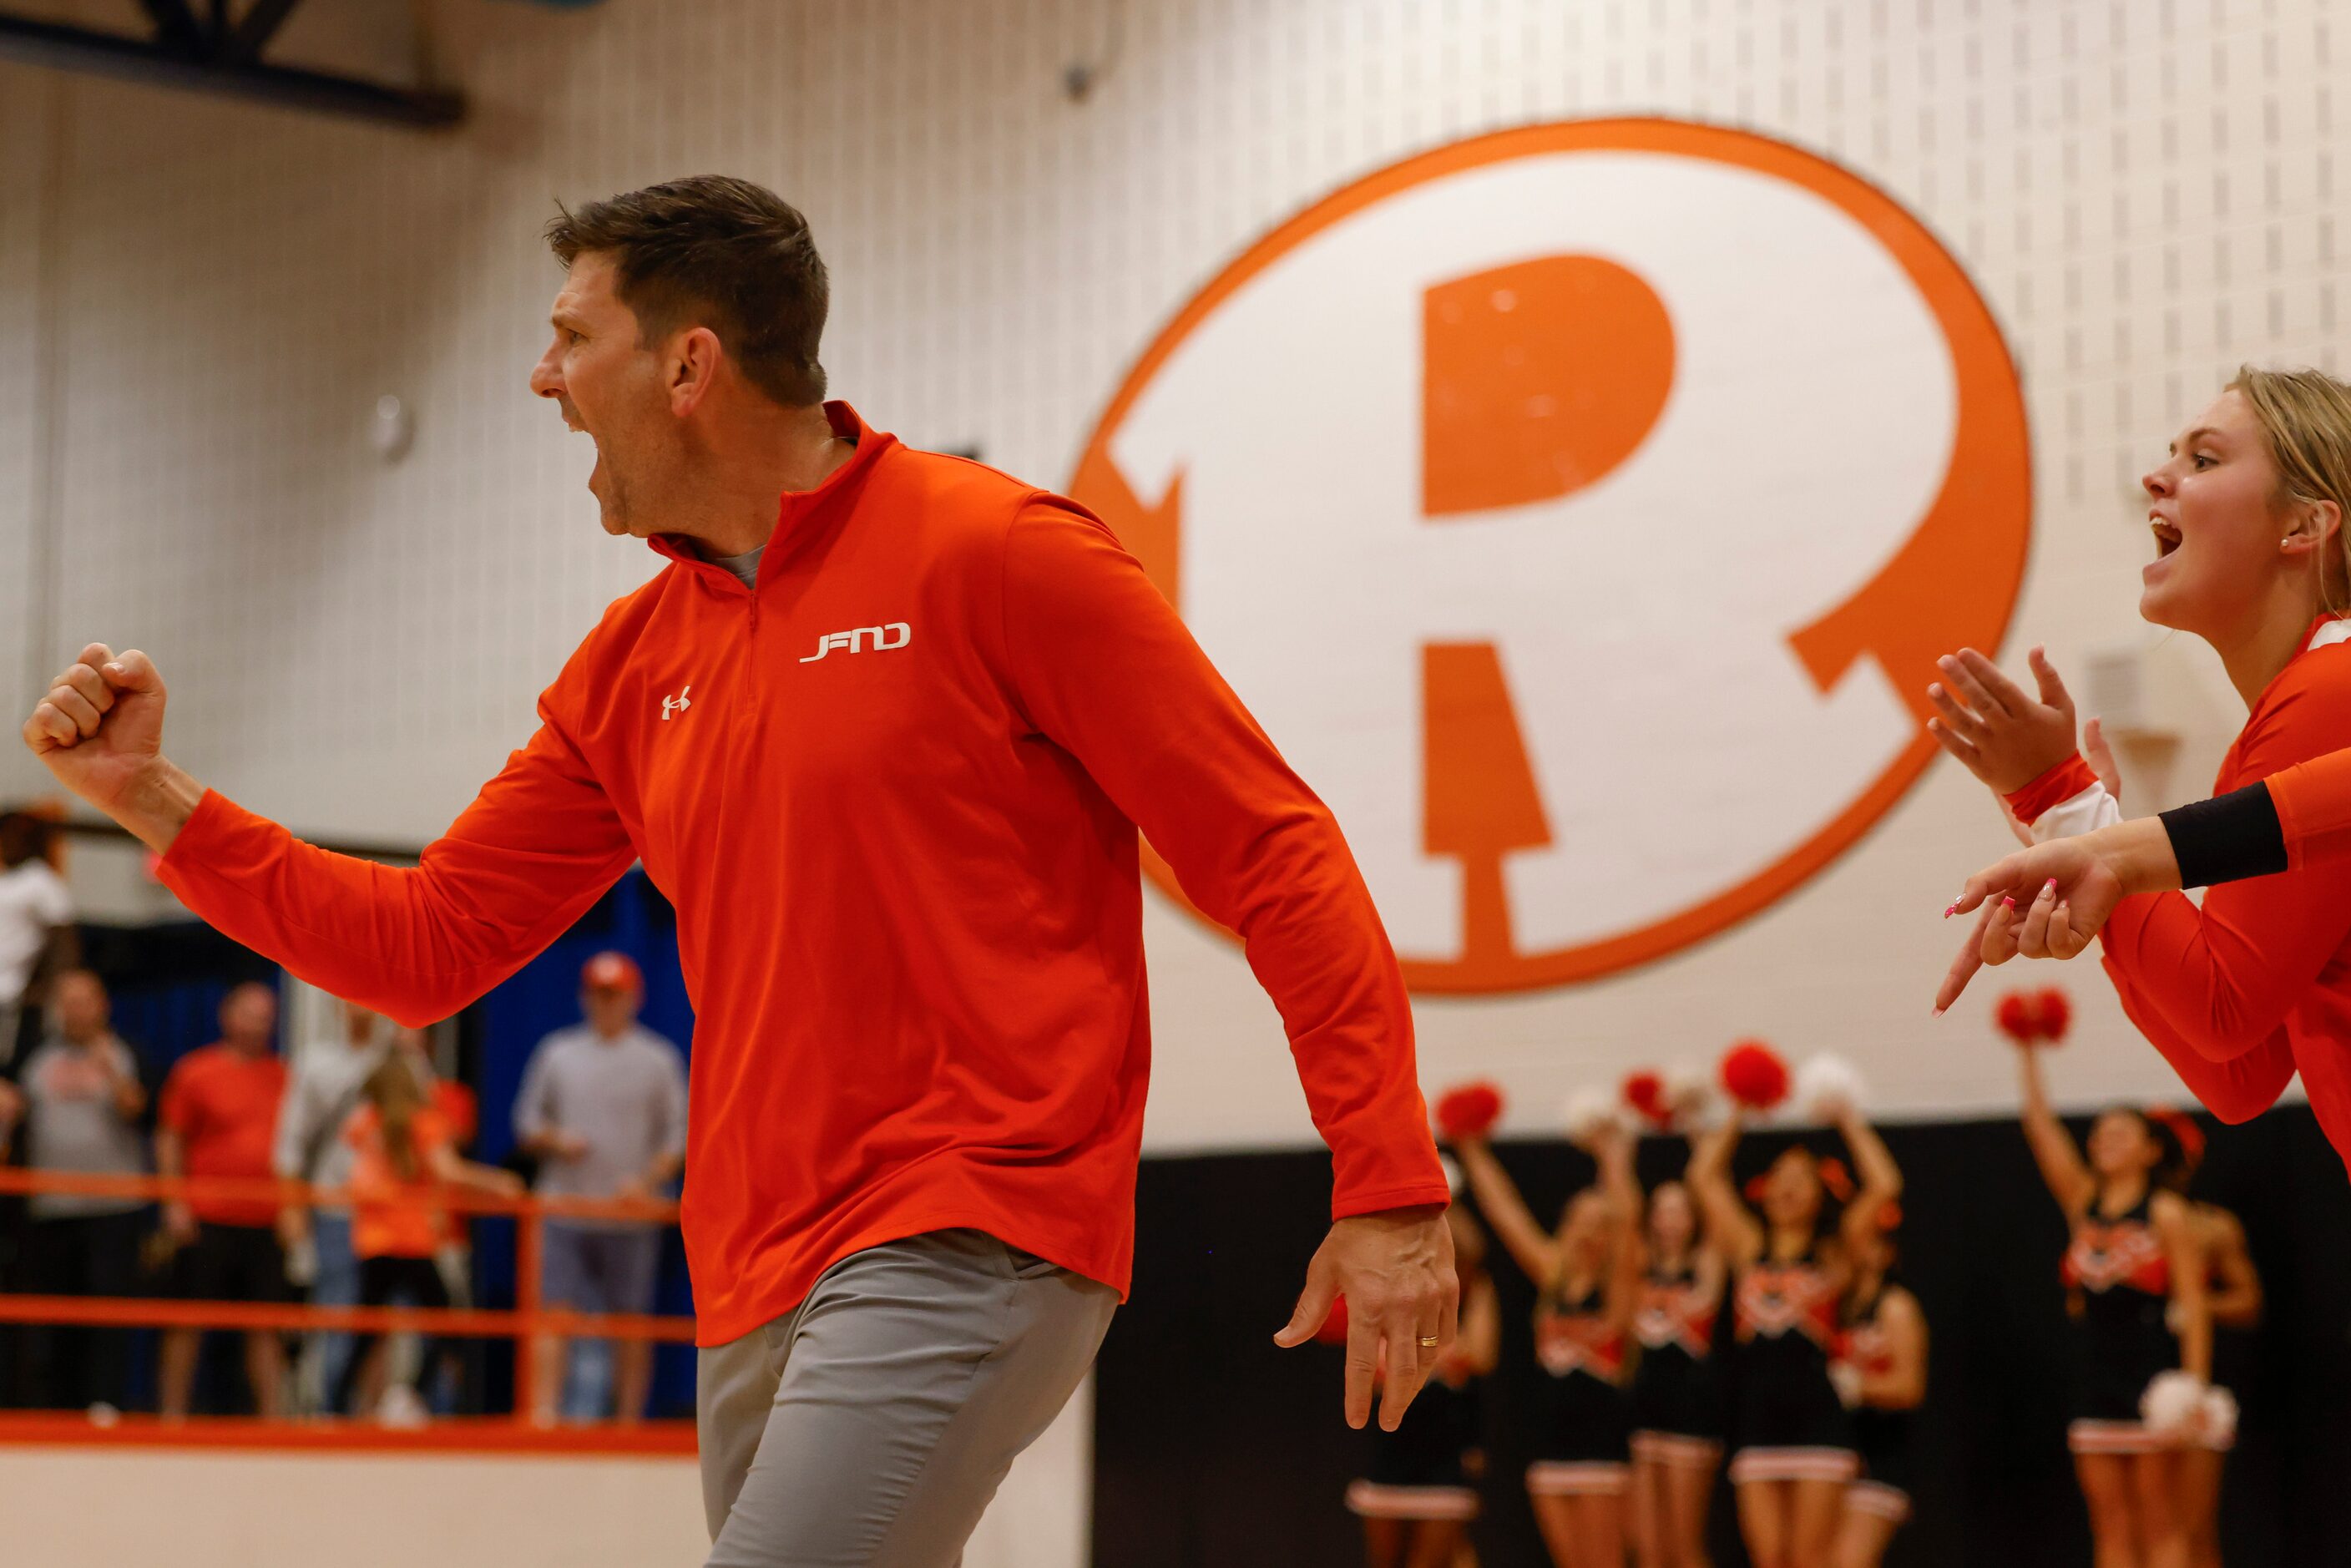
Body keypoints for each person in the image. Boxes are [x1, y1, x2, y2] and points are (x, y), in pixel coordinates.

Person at [19, 174, 1454, 1563]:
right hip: (750, 1269)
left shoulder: (998, 553)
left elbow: (1270, 848)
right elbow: (429, 942)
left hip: (970, 1223)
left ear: (688, 364)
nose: (542, 376)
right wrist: (147, 798)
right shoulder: (632, 664)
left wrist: (1387, 1180)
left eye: (572, 337)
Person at [1924, 368, 2351, 1177]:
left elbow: (2222, 1011)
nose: (2153, 477)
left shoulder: (2331, 691)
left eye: (2201, 459)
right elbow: (2237, 1076)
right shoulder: (2278, 722)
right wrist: (2087, 843)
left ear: (2302, 525)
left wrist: (2073, 814)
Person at [2011, 1039, 2210, 1568]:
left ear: (2149, 1149)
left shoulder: (2165, 1212)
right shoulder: (2083, 1203)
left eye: (2121, 1132)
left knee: (2160, 1522)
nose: (2105, 1139)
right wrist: (2026, 1051)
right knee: (2111, 1526)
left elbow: (2193, 1305)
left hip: (2151, 1377)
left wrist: (2192, 1389)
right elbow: (2041, 1131)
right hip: (2093, 1376)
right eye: (2100, 1132)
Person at [1685, 1104, 1902, 1568]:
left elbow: (1885, 1183)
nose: (1788, 1187)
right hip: (1757, 1427)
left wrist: (1847, 1116)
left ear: (1820, 1194)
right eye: (1780, 1177)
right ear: (1764, 1191)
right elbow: (1704, 1176)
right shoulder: (1747, 1248)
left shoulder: (1835, 1255)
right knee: (1769, 1558)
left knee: (1809, 1560)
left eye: (1801, 1179)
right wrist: (1740, 1108)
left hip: (1817, 1428)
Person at [512, 950, 686, 1425]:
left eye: (616, 994)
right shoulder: (558, 1052)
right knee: (555, 1314)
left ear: (634, 998)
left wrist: (646, 1181)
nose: (607, 1004)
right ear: (585, 997)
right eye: (599, 994)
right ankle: (543, 1415)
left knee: (630, 1321)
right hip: (566, 1206)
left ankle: (628, 1419)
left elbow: (679, 1135)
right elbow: (526, 1121)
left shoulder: (658, 1059)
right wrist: (556, 1140)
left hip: (630, 1214)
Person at [1454, 1121, 1640, 1568]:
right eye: (1581, 1221)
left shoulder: (1618, 1288)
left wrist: (1612, 1159)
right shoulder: (1552, 1277)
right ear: (1567, 1224)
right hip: (1549, 1450)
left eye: (1600, 1225)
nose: (1589, 1233)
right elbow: (1506, 1213)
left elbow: (1630, 1224)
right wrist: (1470, 1147)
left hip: (1601, 1453)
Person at [333, 1052, 521, 1424]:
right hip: (415, 1240)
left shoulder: (365, 1124)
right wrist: (499, 1183)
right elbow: (448, 1170)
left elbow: (351, 1178)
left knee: (367, 1332)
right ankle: (423, 1397)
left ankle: (338, 1404)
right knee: (448, 1328)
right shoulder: (424, 1122)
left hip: (374, 1239)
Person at [3, 969, 150, 1411]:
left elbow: (139, 1112)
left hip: (115, 1205)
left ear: (102, 1005)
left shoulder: (123, 1053)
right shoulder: (37, 1059)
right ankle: (58, 1404)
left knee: (109, 1311)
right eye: (67, 1001)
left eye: (84, 1000)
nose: (76, 1010)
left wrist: (108, 1066)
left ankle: (105, 1404)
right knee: (56, 1314)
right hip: (52, 1205)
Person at [154, 981, 291, 1419]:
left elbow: (296, 1151)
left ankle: (273, 1421)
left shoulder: (284, 1076)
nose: (260, 1023)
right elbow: (170, 1137)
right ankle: (172, 1417)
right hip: (207, 1215)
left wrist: (292, 1208)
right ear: (227, 1017)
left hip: (265, 1218)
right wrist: (175, 1201)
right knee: (187, 1321)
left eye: (268, 1015)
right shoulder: (197, 1071)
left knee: (267, 1327)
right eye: (252, 1013)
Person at [1345, 1193, 1499, 1568]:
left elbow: (1479, 1356)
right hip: (1392, 1452)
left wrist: (1442, 1203)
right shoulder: (1386, 1292)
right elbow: (1376, 1374)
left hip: (1444, 1458)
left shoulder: (1475, 1295)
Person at [272, 998, 387, 1412]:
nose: (362, 1008)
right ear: (339, 1007)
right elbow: (291, 1143)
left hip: (388, 1214)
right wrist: (292, 1209)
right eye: (352, 999)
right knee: (336, 1312)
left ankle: (372, 1415)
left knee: (381, 1322)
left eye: (369, 999)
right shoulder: (317, 1064)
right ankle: (332, 1411)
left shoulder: (401, 1063)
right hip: (333, 1210)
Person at [1625, 1173, 1727, 1568]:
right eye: (1662, 1210)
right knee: (1650, 1551)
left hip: (1691, 1411)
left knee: (1685, 1547)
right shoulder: (1638, 1267)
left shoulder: (1705, 1262)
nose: (1670, 1219)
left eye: (1680, 1209)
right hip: (1644, 1410)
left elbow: (1719, 1214)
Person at [1830, 1206, 1926, 1568]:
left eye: (1876, 1242)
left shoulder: (1895, 1306)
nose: (1863, 1249)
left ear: (1889, 1252)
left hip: (1881, 1459)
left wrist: (1855, 1386)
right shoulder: (1838, 1305)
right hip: (1836, 1457)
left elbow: (1911, 1386)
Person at [2183, 1199, 2261, 1568]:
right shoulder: (2100, 1215)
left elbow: (2249, 1300)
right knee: (2124, 1529)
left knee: (2191, 1533)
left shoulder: (2211, 1224)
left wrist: (2188, 1305)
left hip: (2185, 1382)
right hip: (2117, 1377)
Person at [0, 811, 76, 1071]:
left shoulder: (41, 881)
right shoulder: (5, 880)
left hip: (13, 996)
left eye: (16, 835)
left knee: (11, 1070)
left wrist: (50, 990)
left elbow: (64, 940)